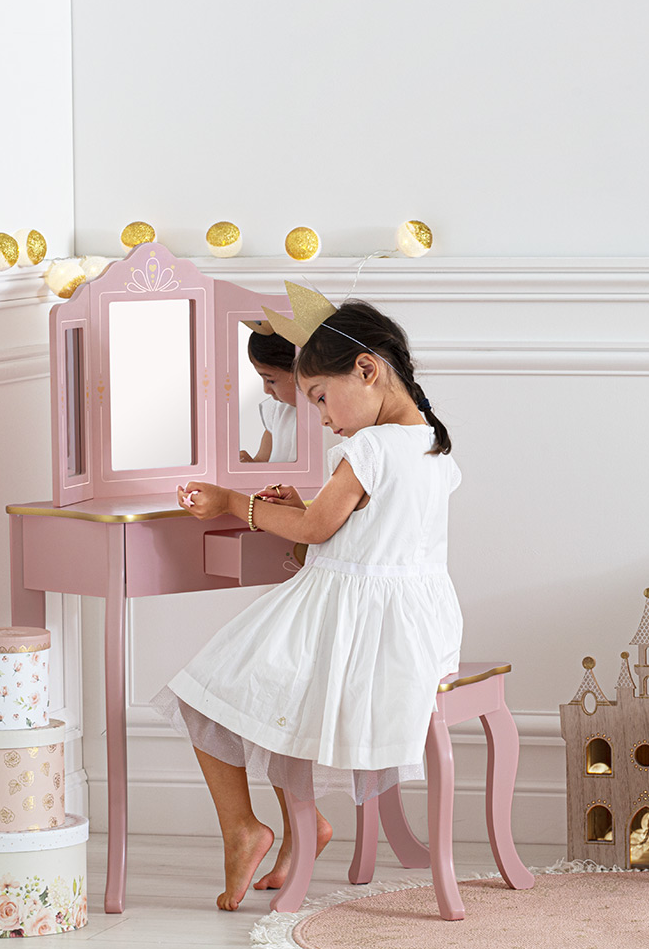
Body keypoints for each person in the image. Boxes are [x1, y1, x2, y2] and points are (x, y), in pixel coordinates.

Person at [153, 298, 462, 911]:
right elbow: (360, 528)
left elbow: (318, 531)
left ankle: (245, 827)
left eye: (320, 396)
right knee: (269, 691)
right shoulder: (429, 443)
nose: (319, 416)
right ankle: (301, 828)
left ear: (367, 371)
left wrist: (229, 505)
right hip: (413, 624)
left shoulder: (370, 449)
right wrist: (300, 502)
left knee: (206, 691)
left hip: (351, 615)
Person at [239, 324, 298, 463]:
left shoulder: (333, 420)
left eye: (270, 380)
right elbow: (262, 462)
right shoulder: (277, 411)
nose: (266, 390)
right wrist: (250, 465)